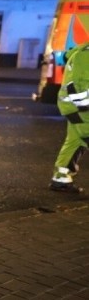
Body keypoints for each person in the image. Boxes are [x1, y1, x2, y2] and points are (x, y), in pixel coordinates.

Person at [49, 41, 89, 193]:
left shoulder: (82, 52)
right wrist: (85, 107)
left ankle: (60, 178)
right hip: (80, 108)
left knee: (75, 141)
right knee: (84, 136)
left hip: (73, 107)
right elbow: (81, 86)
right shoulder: (85, 56)